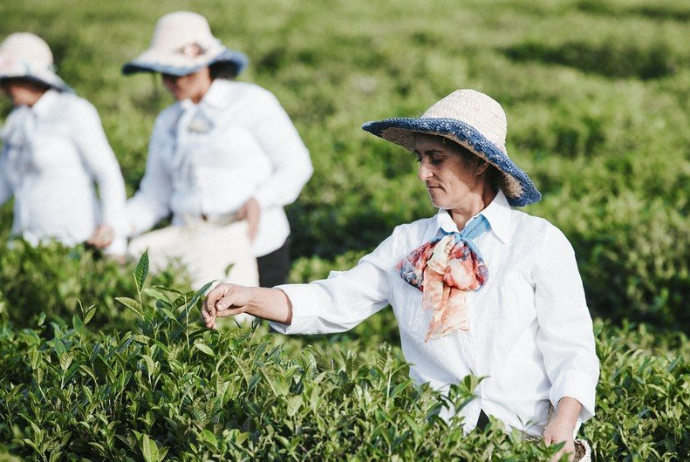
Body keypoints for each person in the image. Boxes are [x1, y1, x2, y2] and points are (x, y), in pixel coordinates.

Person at [202, 89, 599, 461]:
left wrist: (564, 422)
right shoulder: (407, 243)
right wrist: (249, 298)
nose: (423, 173)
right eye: (420, 159)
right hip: (439, 441)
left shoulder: (538, 242)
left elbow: (571, 346)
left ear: (479, 161)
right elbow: (334, 300)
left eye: (436, 158)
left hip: (524, 437)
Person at [122, 11, 313, 290]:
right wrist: (118, 226)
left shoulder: (251, 102)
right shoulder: (168, 122)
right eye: (164, 73)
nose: (170, 82)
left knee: (252, 329)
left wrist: (261, 199)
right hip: (193, 249)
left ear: (206, 65)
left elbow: (297, 164)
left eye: (178, 72)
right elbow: (155, 194)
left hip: (255, 243)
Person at [0, 32, 128, 257]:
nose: (4, 89)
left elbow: (107, 172)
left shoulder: (73, 110)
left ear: (30, 78)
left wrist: (112, 229)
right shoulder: (16, 121)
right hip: (26, 245)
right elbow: (4, 182)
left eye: (9, 80)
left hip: (76, 243)